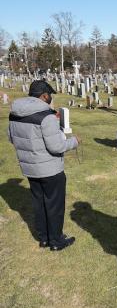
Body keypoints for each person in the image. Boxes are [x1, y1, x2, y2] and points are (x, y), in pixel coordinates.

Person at [7, 80, 79, 251]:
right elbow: (57, 146)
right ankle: (56, 240)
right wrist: (74, 142)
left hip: (30, 168)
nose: (51, 99)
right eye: (50, 95)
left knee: (39, 203)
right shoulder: (46, 117)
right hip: (50, 169)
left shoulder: (15, 113)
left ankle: (44, 238)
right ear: (44, 96)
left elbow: (12, 138)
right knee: (54, 204)